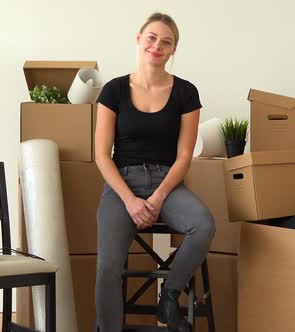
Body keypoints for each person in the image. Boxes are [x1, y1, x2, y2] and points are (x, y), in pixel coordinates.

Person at [94, 12, 216, 332]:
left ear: (173, 50)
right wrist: (131, 200)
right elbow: (101, 155)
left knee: (203, 225)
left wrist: (159, 197)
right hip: (123, 185)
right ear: (139, 39)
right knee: (108, 265)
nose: (157, 46)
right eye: (152, 38)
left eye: (166, 41)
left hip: (168, 182)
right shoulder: (114, 90)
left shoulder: (186, 93)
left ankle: (169, 297)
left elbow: (185, 156)